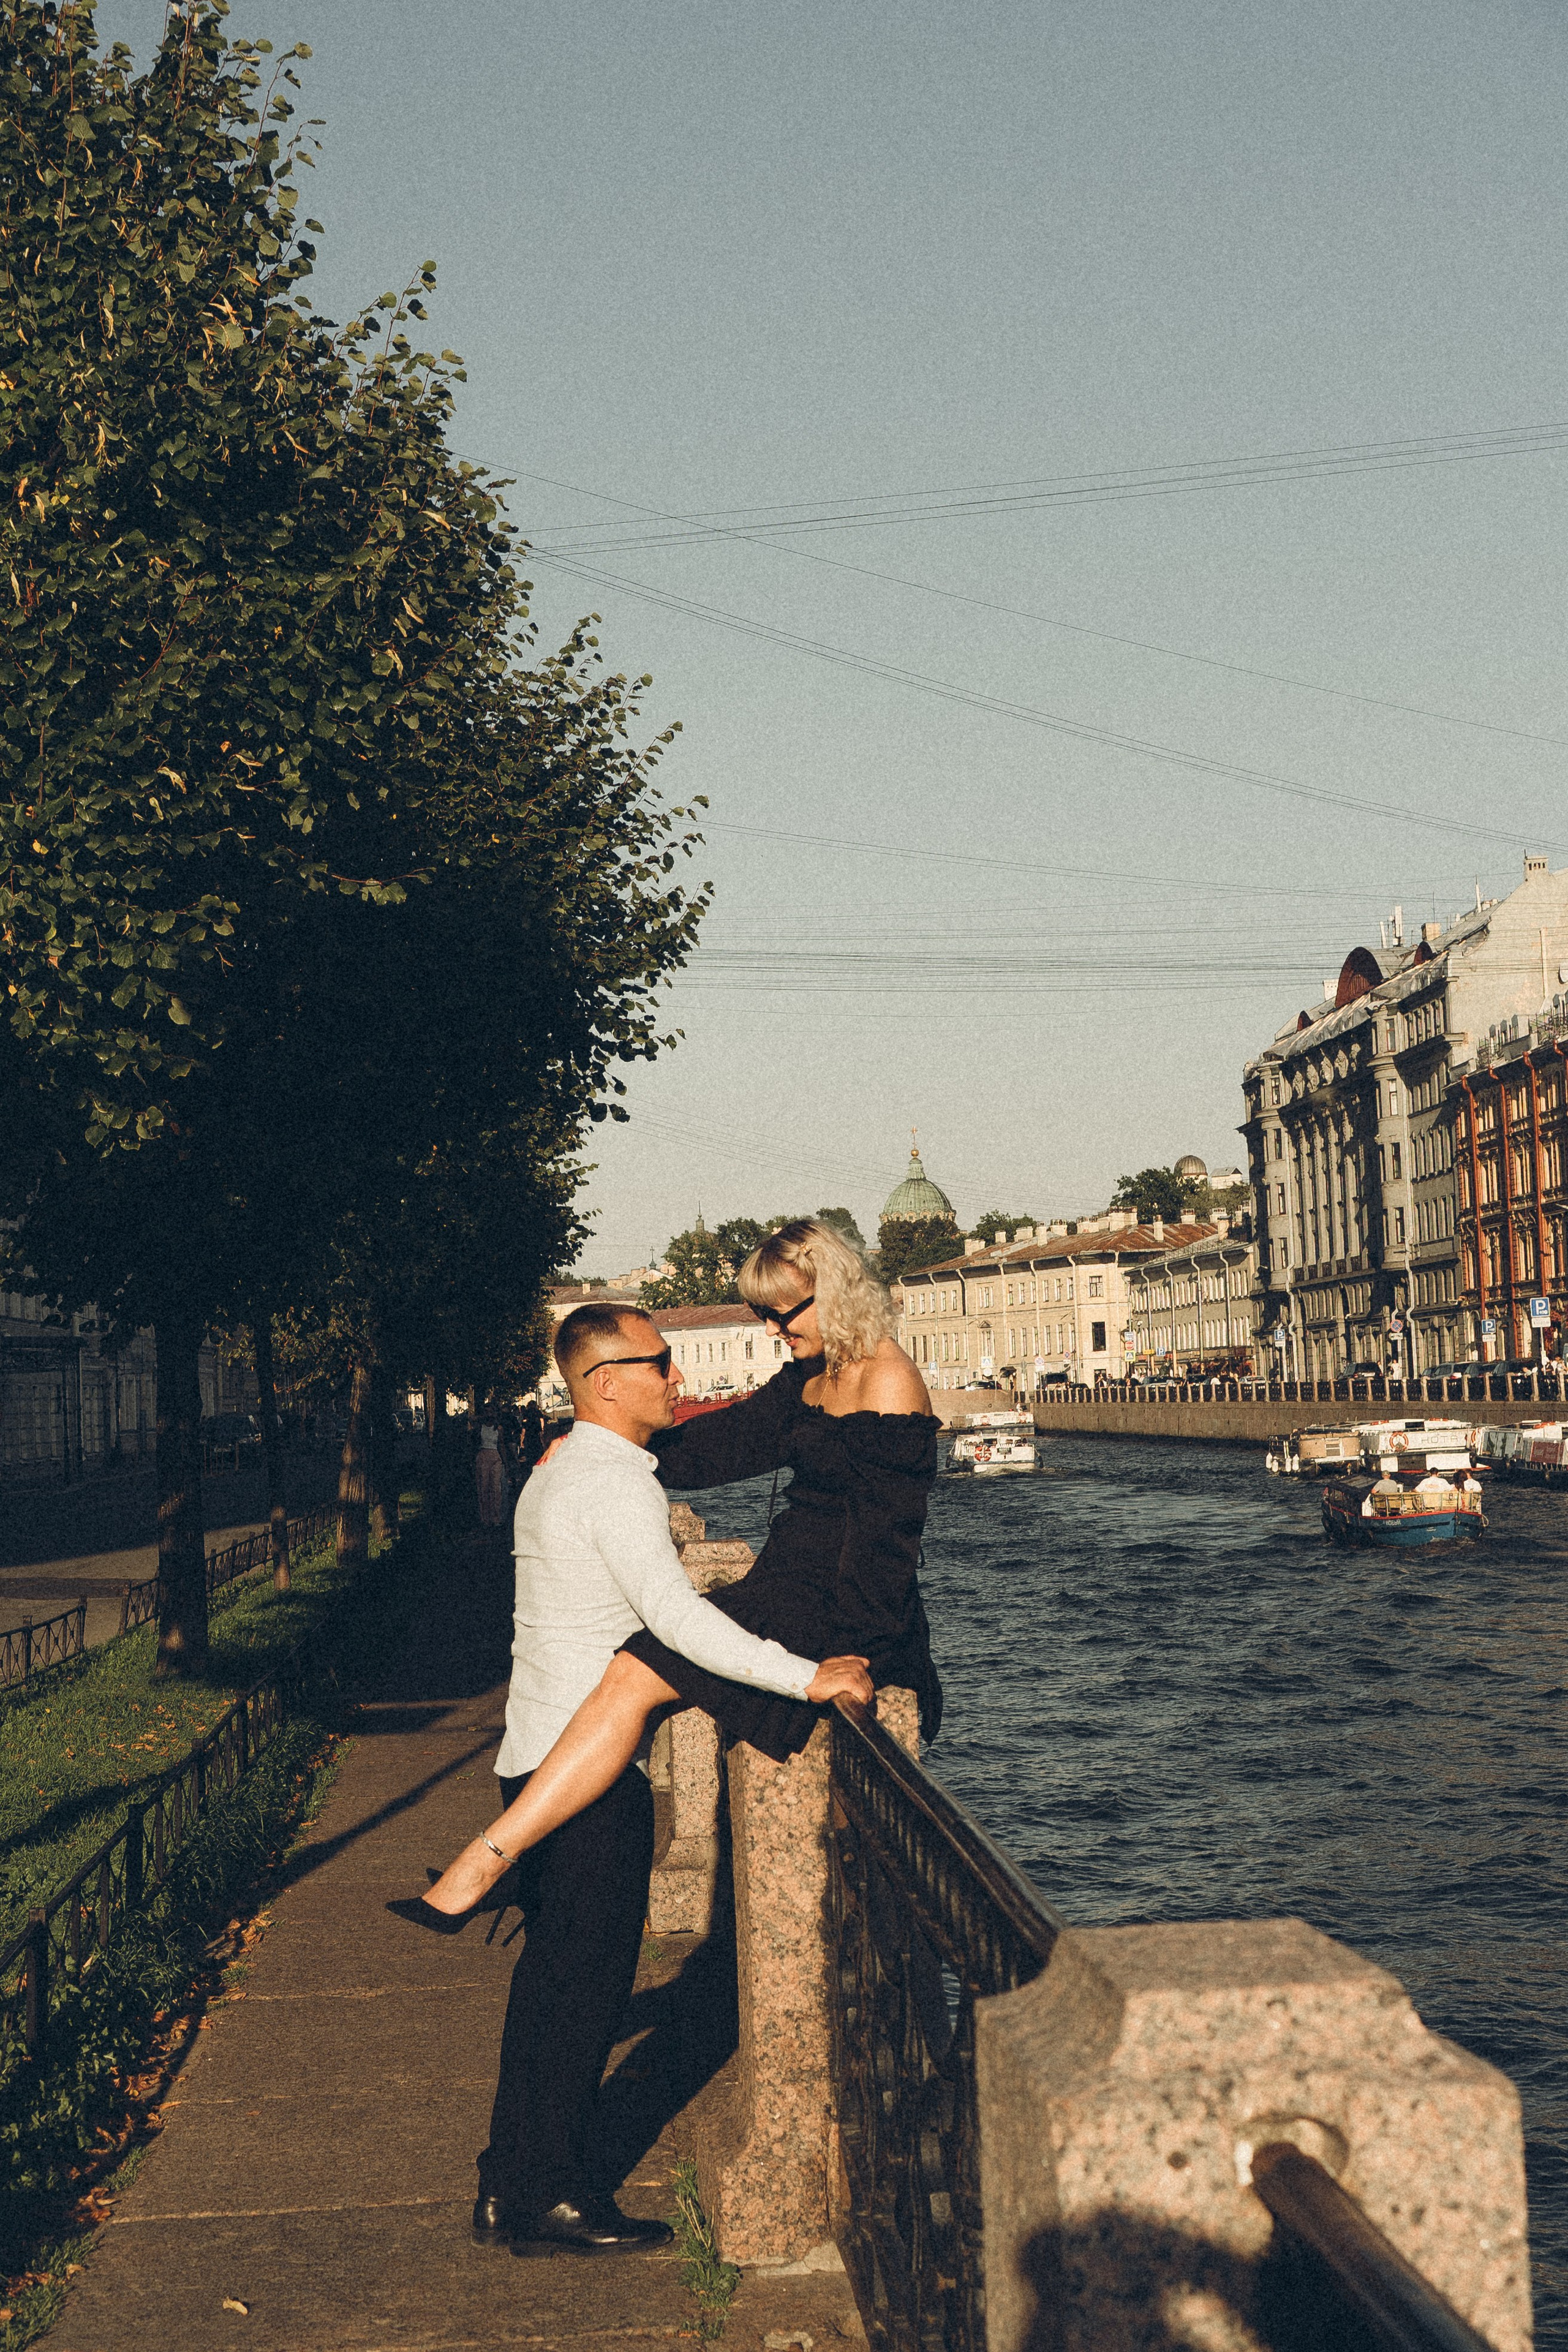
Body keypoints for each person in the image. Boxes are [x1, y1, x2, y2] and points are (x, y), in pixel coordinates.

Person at [391, 1297, 875, 2257]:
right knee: (582, 2001)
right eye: (659, 1363)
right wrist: (803, 1676)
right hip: (587, 1782)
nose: (677, 1378)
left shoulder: (566, 1469)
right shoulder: (614, 1488)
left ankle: (506, 2181)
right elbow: (678, 1621)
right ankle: (552, 2200)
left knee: (545, 1991)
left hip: (534, 1760)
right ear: (606, 1383)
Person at [418, 1217, 940, 1917]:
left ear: (835, 1292)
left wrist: (845, 1653)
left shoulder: (890, 1380)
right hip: (784, 1585)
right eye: (762, 1315)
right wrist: (598, 1444)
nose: (772, 1331)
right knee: (630, 1670)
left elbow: (888, 1542)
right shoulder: (811, 1377)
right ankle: (499, 1860)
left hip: (839, 1606)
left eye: (781, 1314)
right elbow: (719, 1446)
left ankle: (485, 1864)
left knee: (634, 1673)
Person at [474, 1403, 506, 1528]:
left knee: (496, 1488)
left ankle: (496, 1518)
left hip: (495, 1457)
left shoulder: (498, 1429)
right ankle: (485, 1518)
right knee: (484, 1488)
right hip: (483, 1456)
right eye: (486, 1412)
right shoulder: (480, 1427)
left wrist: (505, 1462)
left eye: (491, 1412)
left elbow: (501, 1445)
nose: (489, 1415)